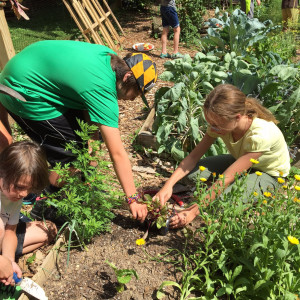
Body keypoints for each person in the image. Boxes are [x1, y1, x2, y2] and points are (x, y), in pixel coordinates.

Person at [0, 40, 158, 223]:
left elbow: (86, 106)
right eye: (137, 93)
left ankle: (80, 183)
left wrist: (92, 154)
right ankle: (44, 206)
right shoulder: (103, 89)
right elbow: (117, 153)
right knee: (71, 154)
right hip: (22, 90)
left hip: (23, 71)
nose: (134, 100)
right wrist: (133, 199)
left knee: (82, 147)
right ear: (127, 77)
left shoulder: (107, 59)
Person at [154, 84, 290, 228]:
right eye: (210, 123)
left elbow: (227, 177)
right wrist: (167, 186)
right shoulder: (219, 123)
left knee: (221, 205)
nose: (212, 128)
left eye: (217, 125)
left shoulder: (260, 135)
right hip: (239, 161)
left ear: (237, 117)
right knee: (192, 175)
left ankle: (254, 193)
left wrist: (193, 211)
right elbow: (193, 158)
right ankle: (227, 190)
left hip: (268, 172)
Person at [0, 141, 57, 285]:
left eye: (29, 189)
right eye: (19, 187)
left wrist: (9, 260)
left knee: (48, 230)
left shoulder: (15, 195)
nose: (24, 194)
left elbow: (10, 231)